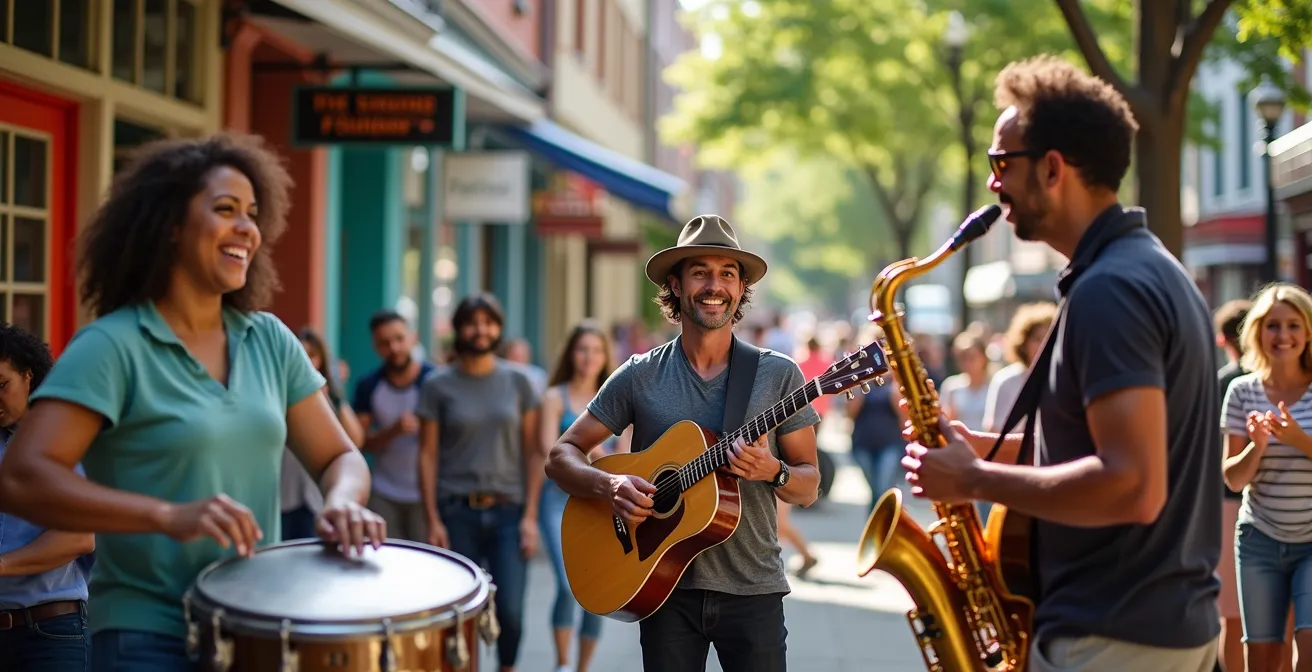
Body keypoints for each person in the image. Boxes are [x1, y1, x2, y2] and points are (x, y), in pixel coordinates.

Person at [0, 133, 385, 671]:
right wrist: (165, 514)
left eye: (252, 213)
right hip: (147, 632)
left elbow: (337, 457)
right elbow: (22, 476)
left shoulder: (270, 339)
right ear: (171, 225)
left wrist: (343, 499)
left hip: (255, 622)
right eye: (225, 209)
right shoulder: (113, 346)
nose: (246, 228)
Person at [900, 56, 1220, 671]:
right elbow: (1110, 448)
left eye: (1002, 164)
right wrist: (983, 447)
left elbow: (1132, 485)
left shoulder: (1112, 290)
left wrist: (972, 480)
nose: (993, 184)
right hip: (1149, 627)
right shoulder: (1143, 270)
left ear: (1052, 168)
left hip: (1115, 635)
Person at [546, 214, 822, 672]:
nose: (715, 285)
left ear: (740, 289)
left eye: (727, 274)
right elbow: (561, 456)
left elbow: (808, 486)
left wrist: (772, 471)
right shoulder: (641, 373)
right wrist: (609, 487)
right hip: (663, 587)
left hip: (753, 588)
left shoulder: (778, 375)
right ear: (676, 285)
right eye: (701, 272)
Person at [417, 292, 542, 672]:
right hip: (457, 511)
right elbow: (427, 455)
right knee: (461, 614)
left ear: (498, 329)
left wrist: (530, 516)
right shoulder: (437, 385)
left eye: (488, 322)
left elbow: (534, 453)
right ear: (458, 329)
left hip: (509, 512)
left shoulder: (519, 382)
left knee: (512, 612)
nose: (480, 330)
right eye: (472, 322)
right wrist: (432, 519)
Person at [1221, 284, 1312, 672]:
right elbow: (1233, 479)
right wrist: (1255, 447)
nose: (1283, 335)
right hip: (1259, 539)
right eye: (1273, 325)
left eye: (1293, 324)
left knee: (1309, 647)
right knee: (1262, 656)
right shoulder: (1241, 391)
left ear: (1308, 332)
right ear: (1258, 332)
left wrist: (1296, 439)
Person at [0, 323, 95, 671]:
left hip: (49, 634)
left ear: (28, 376)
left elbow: (80, 536)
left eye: (1, 385)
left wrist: (2, 565)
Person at [537, 321, 630, 672]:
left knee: (597, 587)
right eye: (582, 349)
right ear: (570, 354)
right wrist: (591, 454)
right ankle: (562, 664)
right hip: (557, 500)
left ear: (605, 356)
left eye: (596, 350)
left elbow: (625, 457)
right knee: (566, 584)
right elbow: (550, 451)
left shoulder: (620, 399)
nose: (588, 357)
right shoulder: (553, 397)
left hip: (603, 502)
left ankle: (583, 667)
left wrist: (584, 452)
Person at [352, 310, 437, 542]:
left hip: (428, 495)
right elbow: (360, 442)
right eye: (385, 343)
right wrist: (393, 431)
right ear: (375, 347)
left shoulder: (434, 381)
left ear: (412, 337)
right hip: (384, 493)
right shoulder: (368, 386)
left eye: (399, 339)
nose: (394, 348)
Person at [281, 327, 367, 540]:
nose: (306, 361)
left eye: (311, 355)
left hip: (315, 496)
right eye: (301, 354)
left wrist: (333, 394)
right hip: (281, 493)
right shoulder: (277, 390)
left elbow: (356, 440)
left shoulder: (330, 395)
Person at [982, 302, 1057, 433]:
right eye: (1037, 339)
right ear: (1023, 342)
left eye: (1048, 338)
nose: (1043, 345)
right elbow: (994, 431)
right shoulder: (1005, 381)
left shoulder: (1065, 379)